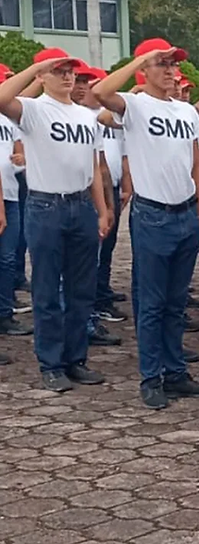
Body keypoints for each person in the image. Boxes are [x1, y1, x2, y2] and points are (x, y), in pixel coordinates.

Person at [93, 38, 199, 409]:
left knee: (177, 302)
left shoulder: (186, 111)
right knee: (151, 303)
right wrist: (139, 61)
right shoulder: (134, 105)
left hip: (185, 213)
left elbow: (197, 161)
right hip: (152, 215)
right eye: (160, 64)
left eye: (171, 64)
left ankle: (175, 372)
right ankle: (151, 376)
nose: (168, 70)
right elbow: (101, 91)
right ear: (144, 69)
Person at [0, 48, 111, 391]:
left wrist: (103, 208)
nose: (67, 76)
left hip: (81, 206)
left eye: (70, 71)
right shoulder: (33, 109)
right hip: (46, 206)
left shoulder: (86, 116)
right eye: (58, 70)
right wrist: (36, 65)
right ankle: (50, 363)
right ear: (42, 77)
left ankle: (75, 358)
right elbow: (3, 98)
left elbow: (92, 167)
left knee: (81, 291)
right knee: (47, 290)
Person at [72, 66, 123, 348]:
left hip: (100, 196)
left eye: (85, 83)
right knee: (74, 270)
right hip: (65, 200)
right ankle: (78, 326)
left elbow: (100, 166)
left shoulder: (91, 120)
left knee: (97, 260)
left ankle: (91, 315)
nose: (82, 87)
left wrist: (108, 206)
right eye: (79, 82)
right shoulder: (45, 113)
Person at [0, 94, 29, 341]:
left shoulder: (8, 121)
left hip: (10, 193)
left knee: (8, 259)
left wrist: (21, 160)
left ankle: (5, 313)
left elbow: (21, 156)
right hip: (3, 199)